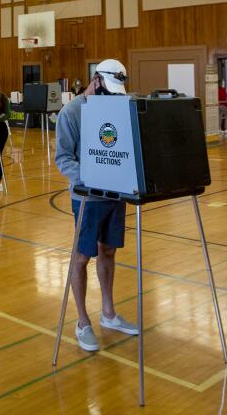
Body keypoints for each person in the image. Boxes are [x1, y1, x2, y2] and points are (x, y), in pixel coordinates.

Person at [54, 58, 139, 352]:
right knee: (81, 257)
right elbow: (63, 158)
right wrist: (91, 178)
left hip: (115, 195)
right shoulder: (71, 112)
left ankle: (108, 313)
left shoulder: (118, 107)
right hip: (87, 198)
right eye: (108, 89)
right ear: (95, 80)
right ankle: (82, 322)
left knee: (109, 250)